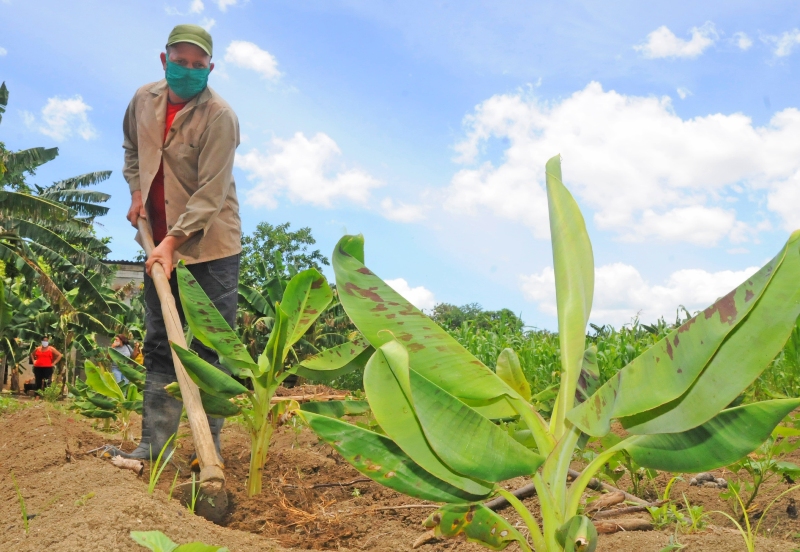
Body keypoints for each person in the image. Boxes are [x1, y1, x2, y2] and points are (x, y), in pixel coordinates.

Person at [105, 24, 241, 465]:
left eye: (198, 66)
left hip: (209, 248)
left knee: (208, 349)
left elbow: (211, 192)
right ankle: (153, 447)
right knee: (160, 340)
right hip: (156, 241)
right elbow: (132, 150)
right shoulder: (143, 100)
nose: (188, 71)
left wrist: (173, 242)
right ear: (164, 62)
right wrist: (136, 194)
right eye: (180, 63)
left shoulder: (219, 116)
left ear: (210, 69)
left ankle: (209, 454)